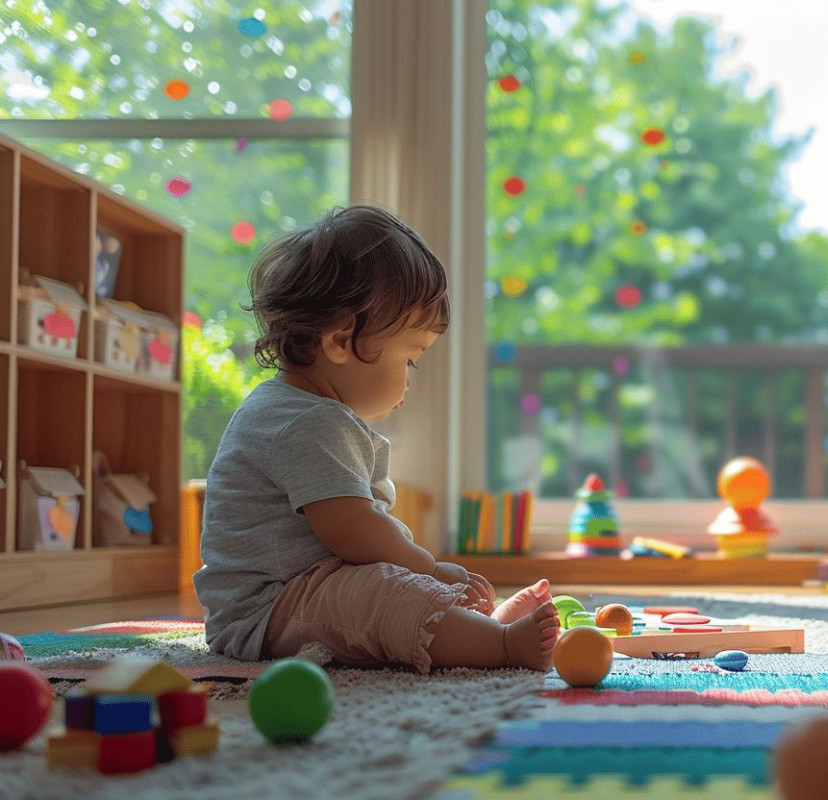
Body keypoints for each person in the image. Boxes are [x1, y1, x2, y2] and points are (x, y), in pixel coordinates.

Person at [193, 205, 558, 674]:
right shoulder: (306, 421)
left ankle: (478, 630)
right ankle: (502, 645)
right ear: (340, 341)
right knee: (386, 593)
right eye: (410, 359)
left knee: (387, 588)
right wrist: (428, 567)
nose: (409, 378)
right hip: (268, 609)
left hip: (304, 592)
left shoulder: (301, 411)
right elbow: (353, 531)